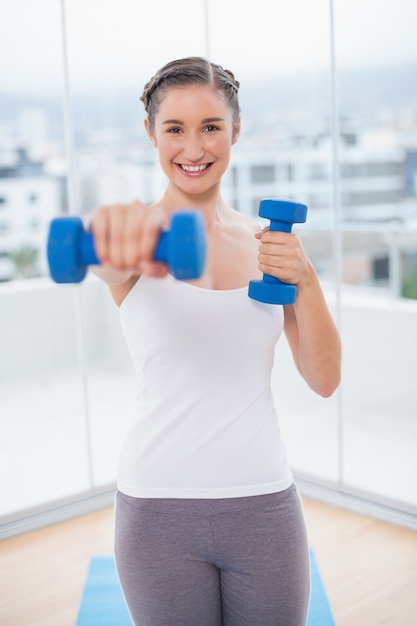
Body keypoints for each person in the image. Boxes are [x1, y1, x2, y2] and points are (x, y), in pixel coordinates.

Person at [89, 56, 341, 626]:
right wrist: (106, 246)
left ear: (236, 129)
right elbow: (104, 258)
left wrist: (307, 278)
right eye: (174, 129)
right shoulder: (135, 244)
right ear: (151, 133)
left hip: (264, 503)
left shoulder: (272, 248)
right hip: (156, 507)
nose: (193, 148)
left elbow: (324, 380)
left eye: (211, 126)